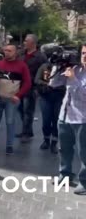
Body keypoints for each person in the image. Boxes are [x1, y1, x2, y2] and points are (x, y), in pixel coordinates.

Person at [0, 44, 32, 155]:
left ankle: (9, 145)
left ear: (15, 52)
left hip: (12, 98)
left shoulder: (22, 66)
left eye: (9, 51)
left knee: (10, 122)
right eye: (5, 50)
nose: (6, 52)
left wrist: (18, 95)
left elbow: (27, 83)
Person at [56, 43, 86, 195]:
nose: (84, 56)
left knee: (84, 153)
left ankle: (85, 183)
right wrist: (58, 67)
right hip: (65, 116)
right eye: (83, 53)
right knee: (64, 149)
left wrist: (73, 79)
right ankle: (65, 174)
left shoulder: (76, 74)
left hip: (83, 119)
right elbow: (53, 84)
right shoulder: (74, 69)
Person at [35, 55, 67, 154]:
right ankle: (46, 140)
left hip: (59, 97)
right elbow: (36, 80)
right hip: (46, 96)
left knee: (56, 120)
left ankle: (54, 143)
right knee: (46, 120)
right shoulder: (44, 66)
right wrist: (46, 84)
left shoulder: (65, 68)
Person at [18, 34, 47, 142]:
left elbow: (46, 71)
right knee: (20, 109)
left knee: (28, 111)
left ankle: (26, 133)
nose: (24, 43)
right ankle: (27, 130)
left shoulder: (40, 56)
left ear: (33, 43)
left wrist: (42, 84)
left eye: (26, 41)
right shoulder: (21, 54)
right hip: (19, 86)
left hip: (31, 87)